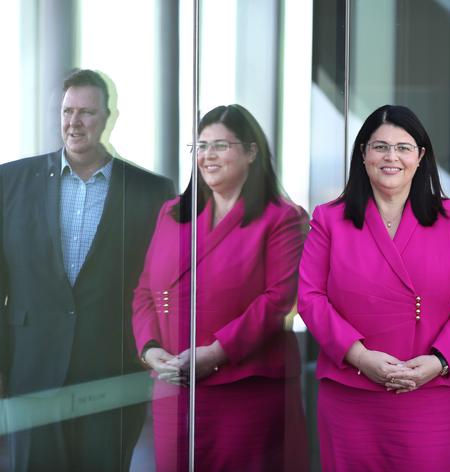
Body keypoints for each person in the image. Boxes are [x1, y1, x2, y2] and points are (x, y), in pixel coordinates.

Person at [298, 104, 450, 471]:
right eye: (380, 146)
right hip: (351, 392)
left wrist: (438, 361)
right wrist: (359, 357)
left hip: (431, 393)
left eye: (403, 147)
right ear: (363, 153)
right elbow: (310, 298)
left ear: (420, 156)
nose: (392, 157)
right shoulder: (329, 219)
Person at [0, 69, 175, 471]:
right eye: (67, 111)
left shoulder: (152, 192)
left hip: (112, 371)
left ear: (108, 117)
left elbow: (161, 284)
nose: (74, 122)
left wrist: (159, 350)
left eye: (87, 112)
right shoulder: (10, 181)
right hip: (32, 371)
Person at [132, 104, 309, 472]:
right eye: (200, 146)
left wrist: (216, 353)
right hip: (174, 383)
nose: (208, 155)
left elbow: (277, 301)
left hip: (245, 387)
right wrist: (150, 350)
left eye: (220, 146)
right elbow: (145, 292)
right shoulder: (171, 213)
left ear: (250, 152)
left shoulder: (283, 217)